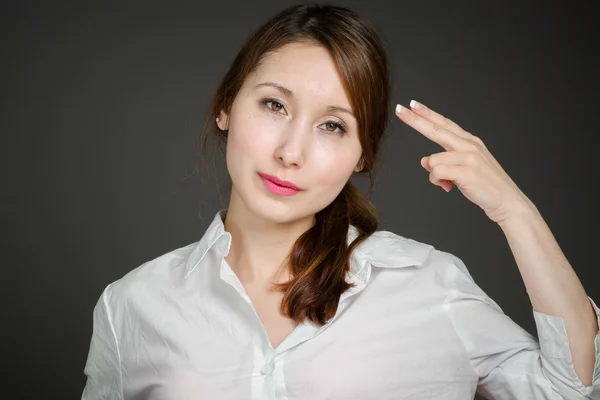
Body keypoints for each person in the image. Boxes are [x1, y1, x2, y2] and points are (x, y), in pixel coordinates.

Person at [81, 4, 599, 400]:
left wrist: (516, 212)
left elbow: (570, 389)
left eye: (332, 125)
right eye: (274, 105)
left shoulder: (429, 285)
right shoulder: (131, 306)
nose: (290, 153)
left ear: (360, 156)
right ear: (225, 108)